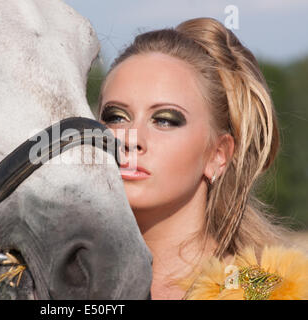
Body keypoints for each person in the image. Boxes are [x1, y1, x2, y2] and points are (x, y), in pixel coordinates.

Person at [96, 17, 308, 300]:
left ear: (218, 155)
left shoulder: (269, 291)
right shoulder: (47, 281)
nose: (131, 139)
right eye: (116, 117)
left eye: (165, 120)